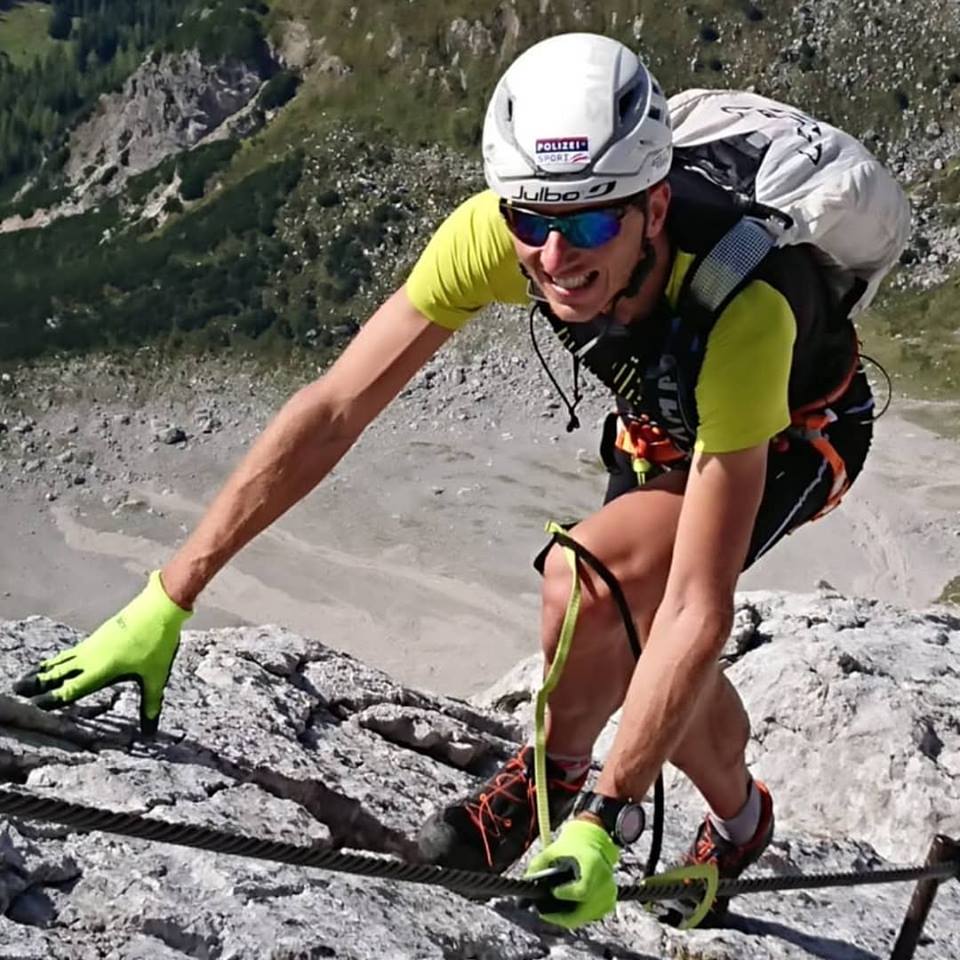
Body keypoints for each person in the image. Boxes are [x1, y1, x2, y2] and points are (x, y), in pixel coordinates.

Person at [12, 33, 875, 930]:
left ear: (654, 207)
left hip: (788, 436)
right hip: (661, 423)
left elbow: (703, 608)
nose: (551, 254)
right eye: (531, 221)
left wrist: (608, 821)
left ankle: (556, 789)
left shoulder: (747, 305)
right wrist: (169, 595)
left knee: (602, 584)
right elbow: (336, 406)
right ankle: (742, 821)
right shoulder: (494, 235)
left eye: (587, 222)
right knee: (627, 614)